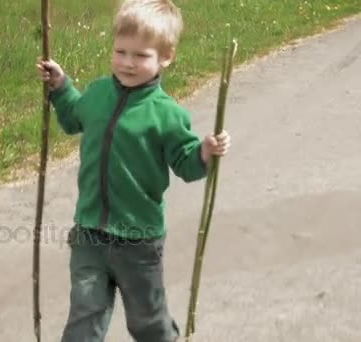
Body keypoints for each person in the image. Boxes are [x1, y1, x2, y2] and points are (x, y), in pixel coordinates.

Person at [36, 0, 231, 341]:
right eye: (120, 51)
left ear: (165, 57)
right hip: (90, 233)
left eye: (140, 56)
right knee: (84, 317)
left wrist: (204, 152)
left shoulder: (167, 114)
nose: (127, 63)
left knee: (147, 322)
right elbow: (71, 118)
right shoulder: (97, 94)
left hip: (139, 240)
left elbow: (187, 166)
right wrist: (61, 86)